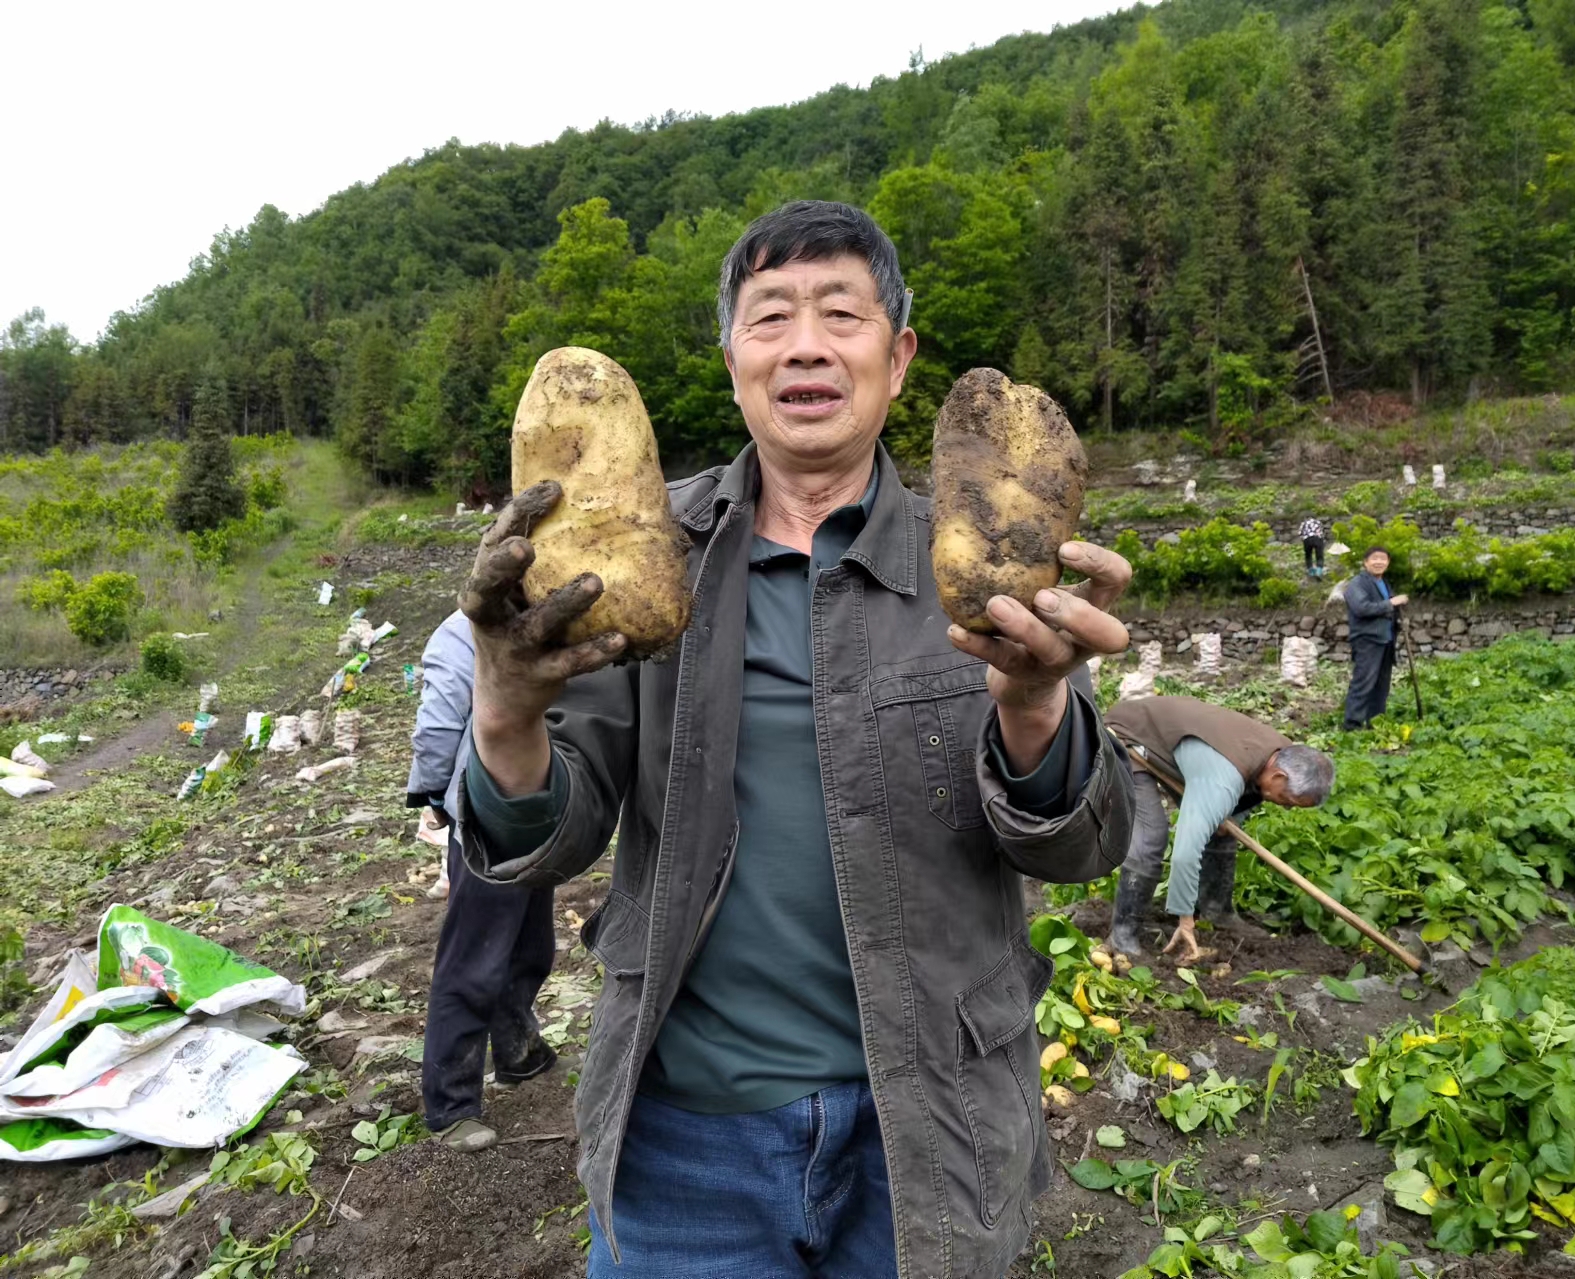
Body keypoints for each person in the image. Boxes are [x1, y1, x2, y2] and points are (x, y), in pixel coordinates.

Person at [453, 201, 1137, 1278]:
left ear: (896, 356)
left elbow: (1077, 848)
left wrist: (1035, 706)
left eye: (840, 313)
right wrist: (503, 705)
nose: (806, 342)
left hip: (928, 1126)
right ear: (731, 360)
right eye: (769, 316)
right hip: (686, 1141)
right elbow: (551, 838)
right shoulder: (634, 562)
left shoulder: (980, 561)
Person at [406, 609, 558, 1154]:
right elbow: (440, 721)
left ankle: (517, 1051)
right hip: (486, 814)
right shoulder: (464, 628)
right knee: (474, 958)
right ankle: (450, 1106)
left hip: (543, 813)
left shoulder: (545, 621)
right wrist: (432, 795)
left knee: (528, 945)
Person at [1101, 697, 1335, 964]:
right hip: (1127, 738)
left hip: (1182, 743)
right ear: (1278, 777)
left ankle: (1216, 912)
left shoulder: (1283, 755)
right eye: (1288, 801)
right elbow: (1184, 853)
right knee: (1151, 839)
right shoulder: (1223, 779)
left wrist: (1229, 817)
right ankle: (1123, 937)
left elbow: (1247, 794)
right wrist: (1185, 920)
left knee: (1222, 827)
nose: (1287, 809)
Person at [1342, 547, 1409, 730]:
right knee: (1363, 682)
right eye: (1374, 558)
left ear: (1388, 563)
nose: (1379, 562)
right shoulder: (1358, 584)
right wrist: (1391, 603)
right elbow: (1362, 608)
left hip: (1385, 640)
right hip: (1367, 640)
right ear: (1365, 562)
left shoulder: (1384, 583)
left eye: (1383, 559)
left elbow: (1389, 607)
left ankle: (1376, 722)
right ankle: (1352, 726)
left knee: (1381, 684)